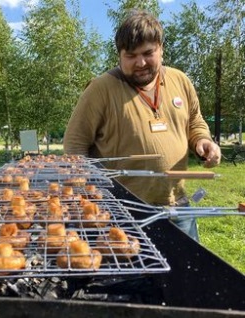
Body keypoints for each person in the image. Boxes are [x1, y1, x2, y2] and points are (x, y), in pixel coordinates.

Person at [63, 10, 221, 241]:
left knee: (185, 272)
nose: (141, 63)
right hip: (123, 211)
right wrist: (88, 195)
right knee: (131, 275)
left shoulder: (180, 81)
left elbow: (195, 121)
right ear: (119, 55)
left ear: (161, 49)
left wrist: (203, 141)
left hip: (178, 204)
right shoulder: (101, 89)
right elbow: (75, 144)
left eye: (148, 53)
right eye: (131, 55)